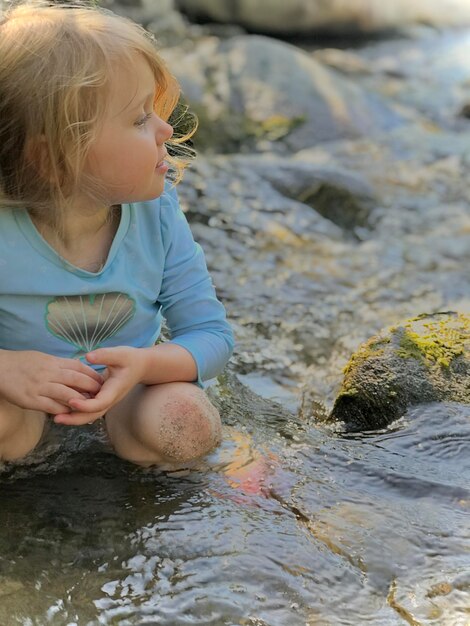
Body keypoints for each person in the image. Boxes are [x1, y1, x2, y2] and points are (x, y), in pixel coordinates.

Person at [0, 1, 234, 467]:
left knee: (185, 421)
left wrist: (145, 365)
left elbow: (210, 335)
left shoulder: (157, 212)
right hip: (20, 404)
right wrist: (6, 367)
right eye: (139, 119)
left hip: (128, 399)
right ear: (52, 159)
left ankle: (222, 454)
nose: (167, 129)